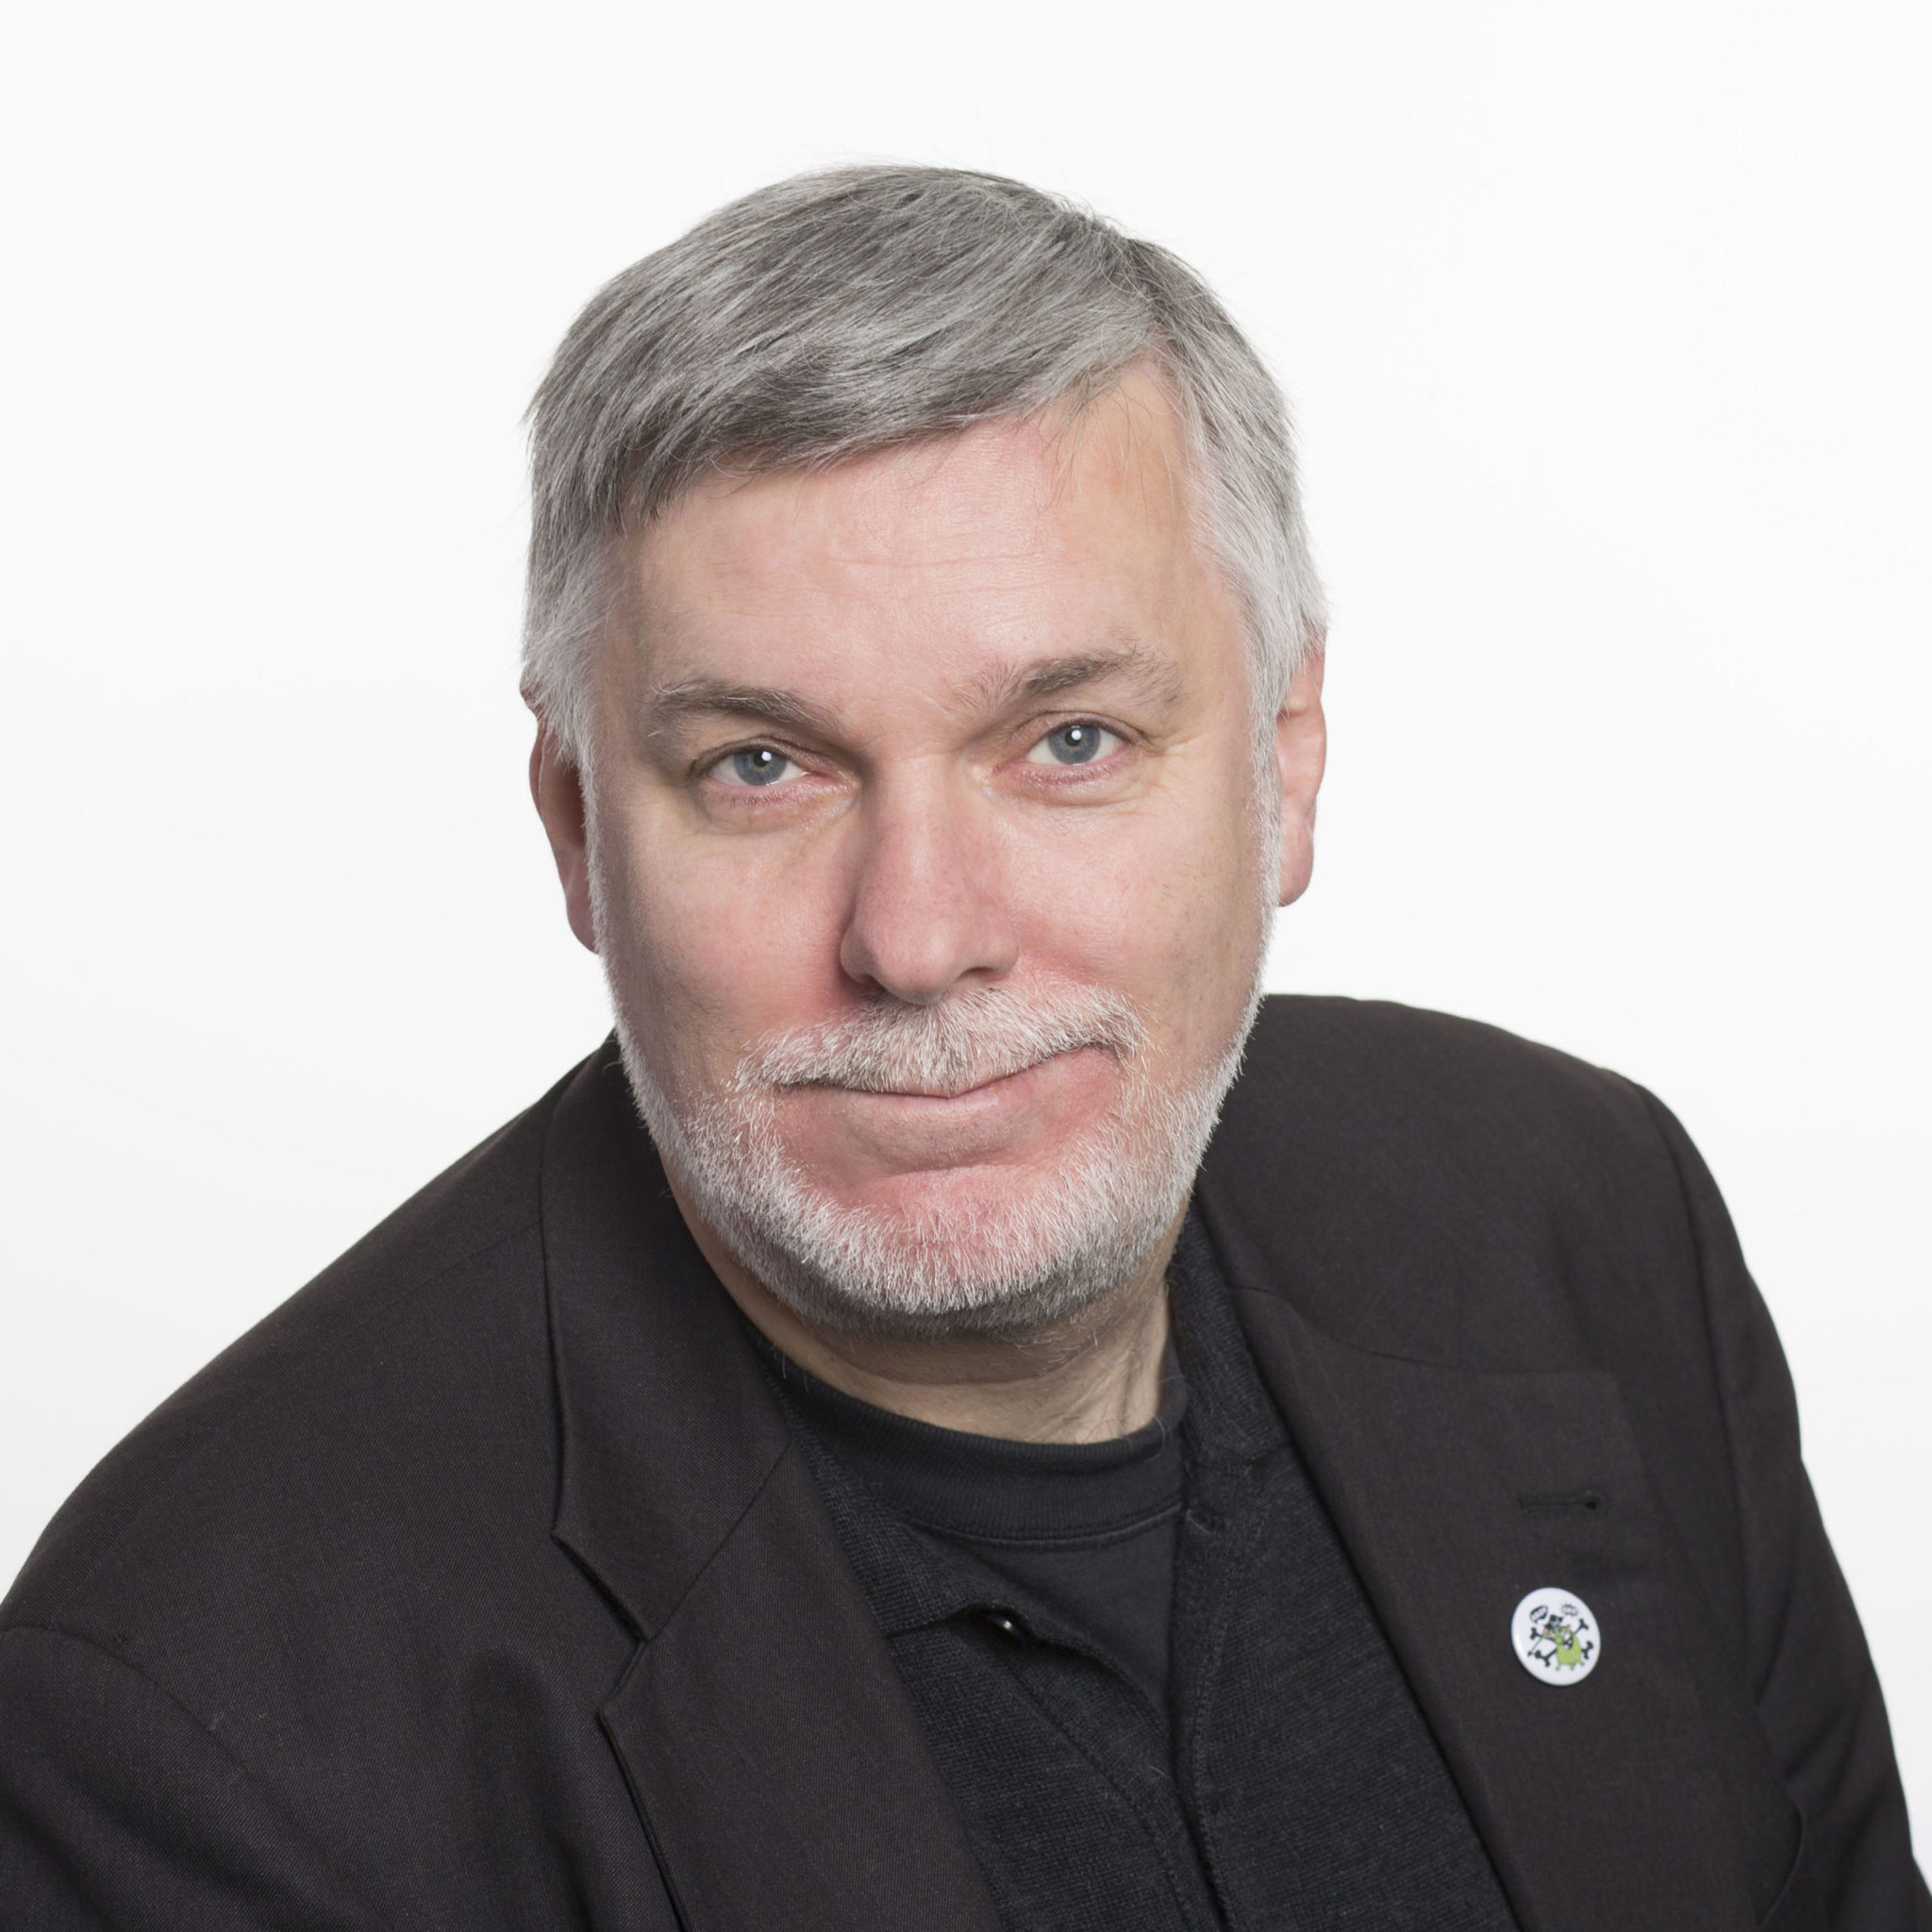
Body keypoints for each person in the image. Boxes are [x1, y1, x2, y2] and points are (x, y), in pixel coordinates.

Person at [0, 165, 1922, 1932]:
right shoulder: (198, 1721)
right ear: (579, 830)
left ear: (1283, 764)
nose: (917, 940)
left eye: (1069, 743)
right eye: (762, 766)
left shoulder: (1575, 1216)